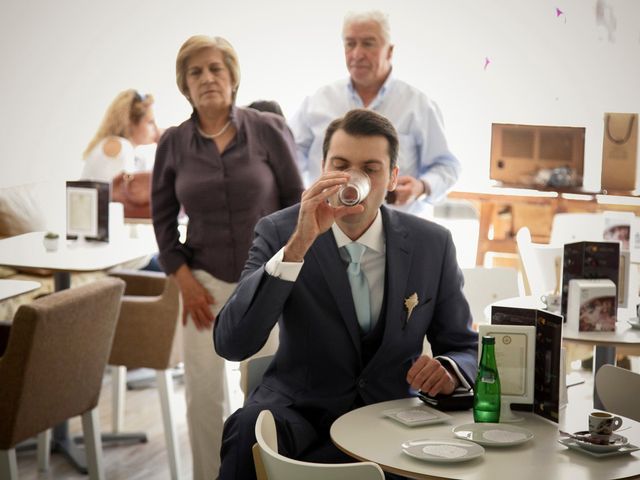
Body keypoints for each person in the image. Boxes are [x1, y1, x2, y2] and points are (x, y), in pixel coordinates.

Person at [215, 109, 478, 479]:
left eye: (371, 168)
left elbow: (464, 345)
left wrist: (448, 369)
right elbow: (232, 343)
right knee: (245, 429)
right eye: (340, 165)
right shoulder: (280, 231)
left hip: (394, 420)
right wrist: (298, 247)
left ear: (392, 179)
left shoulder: (431, 243)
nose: (354, 179)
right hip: (300, 414)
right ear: (323, 169)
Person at [151, 35, 304, 479]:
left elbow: (298, 205)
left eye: (216, 68)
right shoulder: (173, 143)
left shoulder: (268, 129)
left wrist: (286, 274)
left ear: (233, 77)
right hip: (202, 284)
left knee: (266, 388)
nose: (207, 78)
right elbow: (162, 222)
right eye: (195, 72)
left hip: (270, 280)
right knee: (202, 395)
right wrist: (183, 279)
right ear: (184, 85)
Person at [290, 10, 460, 216]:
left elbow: (446, 167)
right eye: (350, 44)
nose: (357, 54)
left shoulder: (419, 106)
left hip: (398, 232)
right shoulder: (317, 102)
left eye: (368, 43)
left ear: (389, 50)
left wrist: (421, 187)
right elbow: (289, 160)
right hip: (327, 229)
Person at [81, 89, 160, 182]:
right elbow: (128, 192)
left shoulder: (122, 147)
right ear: (130, 122)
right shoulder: (122, 146)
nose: (156, 128)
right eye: (150, 122)